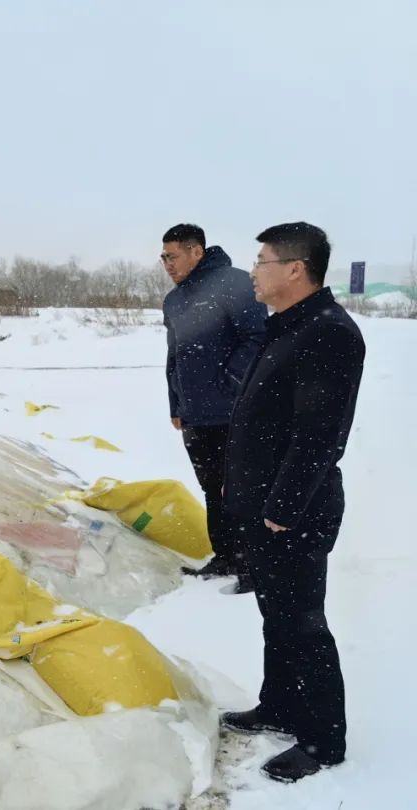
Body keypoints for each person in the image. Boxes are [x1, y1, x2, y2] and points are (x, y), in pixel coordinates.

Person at [221, 222, 364, 782]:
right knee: (275, 618)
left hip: (293, 514)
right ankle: (279, 705)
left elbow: (319, 434)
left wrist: (282, 508)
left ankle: (325, 741)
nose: (253, 272)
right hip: (265, 508)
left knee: (303, 624)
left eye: (261, 261)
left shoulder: (328, 331)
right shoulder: (287, 324)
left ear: (295, 269)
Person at [161, 224, 266, 591]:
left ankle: (253, 566)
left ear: (196, 252)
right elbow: (175, 354)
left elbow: (257, 337)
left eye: (172, 256)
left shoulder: (234, 283)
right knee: (212, 488)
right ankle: (225, 557)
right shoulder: (174, 300)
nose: (167, 264)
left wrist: (230, 383)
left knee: (240, 489)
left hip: (233, 413)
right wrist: (176, 402)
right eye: (163, 257)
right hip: (194, 415)